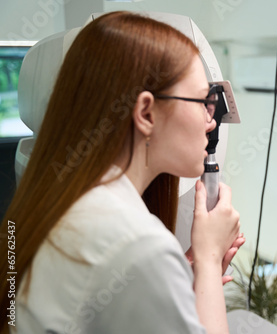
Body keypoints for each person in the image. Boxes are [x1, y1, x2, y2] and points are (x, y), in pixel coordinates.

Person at [0, 11, 244, 334]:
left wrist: (173, 278)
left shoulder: (52, 204)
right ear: (145, 112)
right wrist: (210, 260)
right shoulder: (138, 245)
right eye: (202, 100)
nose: (212, 120)